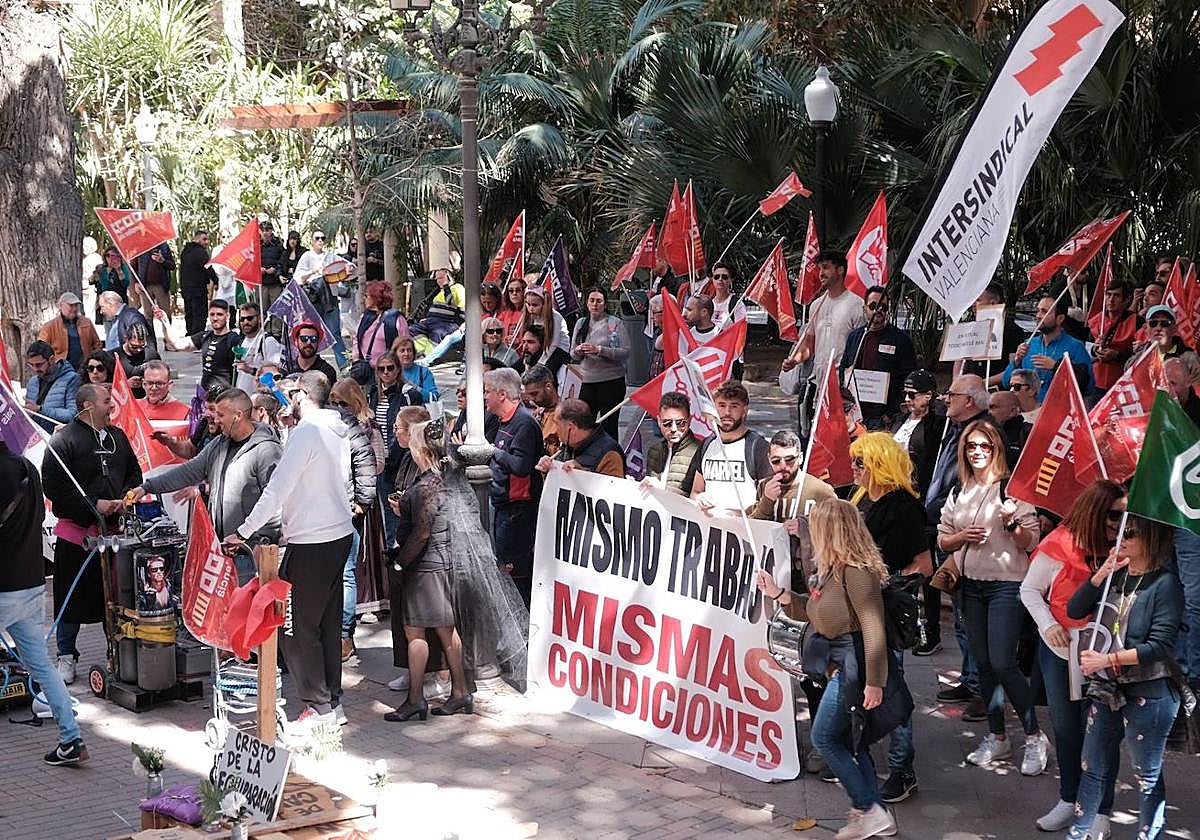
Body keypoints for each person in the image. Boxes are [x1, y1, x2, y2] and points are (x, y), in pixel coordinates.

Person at [756, 498, 898, 840]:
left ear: (831, 530)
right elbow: (822, 615)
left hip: (854, 666)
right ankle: (875, 813)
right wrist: (782, 595)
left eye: (813, 524)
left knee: (824, 736)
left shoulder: (856, 572)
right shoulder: (834, 569)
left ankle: (866, 807)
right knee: (851, 741)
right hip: (839, 664)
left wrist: (874, 683)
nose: (808, 530)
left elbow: (873, 628)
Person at [225, 371, 356, 728]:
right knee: (326, 624)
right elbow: (309, 476)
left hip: (312, 539)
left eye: (290, 393)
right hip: (336, 533)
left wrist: (243, 531)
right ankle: (331, 701)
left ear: (300, 394)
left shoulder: (307, 432)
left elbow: (278, 488)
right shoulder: (333, 428)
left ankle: (319, 706)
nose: (287, 399)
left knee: (294, 626)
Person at [937, 420, 1048, 774]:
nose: (978, 452)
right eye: (972, 446)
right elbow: (943, 539)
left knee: (1003, 662)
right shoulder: (961, 488)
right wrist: (962, 537)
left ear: (997, 448)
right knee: (983, 663)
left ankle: (1034, 735)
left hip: (1007, 585)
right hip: (969, 585)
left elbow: (1029, 542)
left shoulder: (1013, 490)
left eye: (985, 446)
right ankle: (998, 737)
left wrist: (1012, 523)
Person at [1065, 516, 1184, 840]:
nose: (1121, 538)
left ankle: (1149, 835)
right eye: (1118, 532)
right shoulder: (1115, 576)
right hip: (1107, 688)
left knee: (1146, 773)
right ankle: (1079, 833)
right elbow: (1075, 610)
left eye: (1129, 533)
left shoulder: (1166, 584)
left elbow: (1159, 646)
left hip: (1150, 691)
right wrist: (1097, 578)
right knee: (1092, 766)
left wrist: (1107, 659)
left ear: (1151, 538)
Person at [1019, 481, 1124, 835]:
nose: (1119, 523)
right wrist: (1047, 624)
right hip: (1060, 649)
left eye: (1125, 516)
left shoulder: (1127, 544)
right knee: (1066, 729)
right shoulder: (1060, 543)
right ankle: (1069, 798)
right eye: (1113, 515)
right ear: (1095, 512)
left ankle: (1100, 811)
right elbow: (1030, 590)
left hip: (1106, 652)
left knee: (1102, 734)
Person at [849, 432, 931, 802]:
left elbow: (921, 565)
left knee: (891, 686)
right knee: (863, 683)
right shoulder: (863, 499)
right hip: (858, 605)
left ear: (878, 464)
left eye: (859, 462)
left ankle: (902, 767)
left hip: (885, 609)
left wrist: (884, 577)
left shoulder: (903, 507)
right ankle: (859, 750)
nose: (854, 469)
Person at [42, 384, 142, 684]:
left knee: (116, 600)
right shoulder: (63, 441)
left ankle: (116, 655)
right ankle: (66, 656)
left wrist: (125, 498)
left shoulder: (118, 437)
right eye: (106, 401)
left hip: (115, 536)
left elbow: (134, 473)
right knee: (68, 599)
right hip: (77, 536)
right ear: (87, 406)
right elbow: (55, 487)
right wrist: (93, 505)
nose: (112, 405)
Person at [0, 439, 90, 765]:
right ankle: (70, 738)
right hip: (31, 580)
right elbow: (39, 517)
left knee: (41, 665)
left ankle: (71, 739)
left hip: (5, 586)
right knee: (42, 666)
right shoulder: (26, 468)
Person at [384, 420, 475, 722]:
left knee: (415, 632)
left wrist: (399, 563)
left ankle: (415, 699)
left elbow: (421, 533)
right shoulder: (443, 478)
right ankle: (460, 693)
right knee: (446, 630)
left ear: (418, 448)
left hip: (425, 568)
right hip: (441, 562)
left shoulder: (426, 486)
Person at [135, 387, 282, 552]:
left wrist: (262, 541)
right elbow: (188, 471)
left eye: (221, 415)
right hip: (223, 546)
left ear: (238, 415)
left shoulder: (267, 450)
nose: (216, 420)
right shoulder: (219, 444)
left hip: (251, 549)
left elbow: (276, 501)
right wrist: (146, 487)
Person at [782, 251, 866, 437]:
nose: (821, 273)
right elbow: (810, 342)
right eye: (820, 268)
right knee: (812, 439)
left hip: (841, 390)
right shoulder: (816, 305)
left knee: (839, 440)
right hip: (815, 385)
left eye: (826, 268)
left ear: (840, 270)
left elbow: (861, 349)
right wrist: (794, 361)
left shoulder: (856, 305)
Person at [328, 378, 381, 661]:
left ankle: (344, 635)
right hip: (326, 508)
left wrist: (362, 502)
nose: (337, 408)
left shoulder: (361, 430)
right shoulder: (325, 426)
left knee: (346, 572)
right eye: (333, 402)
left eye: (342, 403)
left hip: (348, 510)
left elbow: (368, 463)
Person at [485, 368, 545, 607]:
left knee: (514, 573)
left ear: (501, 394)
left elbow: (521, 466)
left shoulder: (524, 424)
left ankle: (524, 629)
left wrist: (494, 452)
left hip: (517, 511)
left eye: (487, 392)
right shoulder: (503, 421)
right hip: (502, 505)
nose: (485, 397)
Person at [689, 380, 771, 518]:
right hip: (709, 532)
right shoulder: (706, 445)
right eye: (721, 405)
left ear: (745, 410)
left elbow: (768, 499)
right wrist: (699, 499)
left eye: (734, 406)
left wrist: (741, 514)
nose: (727, 412)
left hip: (745, 532)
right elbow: (695, 492)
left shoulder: (758, 447)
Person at [840, 287, 917, 430]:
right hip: (855, 415)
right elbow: (844, 369)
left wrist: (890, 413)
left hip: (883, 418)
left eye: (883, 306)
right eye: (873, 306)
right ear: (865, 308)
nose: (878, 310)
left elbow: (909, 379)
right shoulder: (855, 337)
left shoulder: (901, 340)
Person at [1001, 293, 1093, 400]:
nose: (1038, 315)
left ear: (1060, 319)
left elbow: (1088, 387)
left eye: (1044, 312)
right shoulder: (1029, 344)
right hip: (1028, 411)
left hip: (1058, 411)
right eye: (1038, 310)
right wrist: (1016, 361)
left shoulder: (1075, 346)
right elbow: (1006, 382)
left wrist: (1056, 367)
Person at [571, 288, 630, 440]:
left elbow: (625, 352)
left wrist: (599, 350)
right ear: (587, 303)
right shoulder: (581, 323)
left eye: (599, 301)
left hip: (611, 382)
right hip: (588, 381)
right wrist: (579, 350)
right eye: (592, 300)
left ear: (605, 304)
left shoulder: (615, 323)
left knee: (609, 425)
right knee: (585, 424)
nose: (595, 304)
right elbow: (572, 354)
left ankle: (610, 458)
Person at [294, 231, 349, 369]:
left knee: (334, 333)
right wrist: (314, 271)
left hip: (330, 298)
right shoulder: (307, 256)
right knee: (310, 334)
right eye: (317, 238)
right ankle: (310, 365)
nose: (320, 241)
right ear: (311, 241)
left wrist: (348, 268)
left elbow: (347, 267)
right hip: (313, 299)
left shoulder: (330, 256)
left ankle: (344, 366)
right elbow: (298, 278)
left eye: (322, 238)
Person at [166, 299, 243, 391]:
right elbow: (177, 345)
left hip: (225, 395)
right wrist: (165, 323)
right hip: (205, 394)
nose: (215, 318)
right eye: (212, 314)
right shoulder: (205, 336)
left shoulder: (234, 339)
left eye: (219, 314)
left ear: (227, 316)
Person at [536, 398, 624, 477]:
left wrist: (581, 474)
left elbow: (613, 490)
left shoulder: (609, 454)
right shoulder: (568, 446)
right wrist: (548, 469)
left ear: (571, 428)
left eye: (557, 424)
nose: (555, 430)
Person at [962, 284, 1027, 387]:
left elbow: (1013, 367)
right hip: (968, 387)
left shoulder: (1012, 330)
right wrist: (957, 379)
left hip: (995, 389)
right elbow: (960, 358)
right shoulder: (971, 327)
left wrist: (982, 383)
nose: (973, 304)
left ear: (993, 302)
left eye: (978, 300)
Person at [1088, 279, 1140, 393]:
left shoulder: (1136, 321)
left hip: (1123, 382)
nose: (1111, 300)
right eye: (1108, 295)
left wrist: (1117, 355)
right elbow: (1086, 348)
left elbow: (1141, 353)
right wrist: (1095, 349)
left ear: (1126, 300)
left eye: (1116, 296)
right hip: (1095, 381)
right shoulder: (1096, 320)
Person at [643, 392, 700, 495]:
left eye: (680, 423)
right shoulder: (654, 450)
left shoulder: (700, 452)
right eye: (667, 423)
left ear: (689, 421)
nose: (674, 429)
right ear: (659, 421)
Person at [24, 340, 80, 432]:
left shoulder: (72, 379)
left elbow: (73, 414)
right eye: (31, 365)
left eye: (39, 365)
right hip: (37, 437)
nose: (35, 369)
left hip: (60, 438)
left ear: (51, 359)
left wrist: (40, 409)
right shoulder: (33, 381)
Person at [410, 268, 466, 357]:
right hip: (432, 322)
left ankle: (428, 357)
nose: (438, 281)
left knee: (436, 333)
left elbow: (450, 301)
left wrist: (446, 285)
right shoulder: (440, 291)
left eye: (441, 278)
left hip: (447, 323)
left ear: (449, 277)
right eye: (437, 279)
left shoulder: (458, 288)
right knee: (412, 330)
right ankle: (421, 353)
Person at [38, 292, 102, 369]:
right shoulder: (49, 327)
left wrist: (93, 361)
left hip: (85, 368)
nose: (74, 309)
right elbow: (41, 350)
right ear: (60, 306)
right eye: (71, 305)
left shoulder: (86, 323)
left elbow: (97, 345)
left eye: (76, 305)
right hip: (61, 369)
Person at [355, 281, 408, 369]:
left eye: (366, 296)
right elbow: (356, 339)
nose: (364, 299)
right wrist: (356, 359)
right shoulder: (365, 317)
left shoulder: (396, 318)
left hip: (389, 370)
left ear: (376, 298)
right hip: (366, 370)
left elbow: (405, 343)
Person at [234, 303, 282, 394]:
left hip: (259, 398)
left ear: (259, 318)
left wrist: (251, 370)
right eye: (242, 319)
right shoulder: (241, 341)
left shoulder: (267, 341)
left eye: (250, 318)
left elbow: (275, 376)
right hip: (242, 397)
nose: (246, 322)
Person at [1139, 304, 1200, 375]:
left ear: (1175, 329)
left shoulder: (1189, 359)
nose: (1159, 328)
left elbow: (1197, 385)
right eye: (1153, 323)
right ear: (1145, 328)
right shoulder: (1137, 359)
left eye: (1165, 323)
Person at [138, 360, 191, 441]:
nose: (154, 388)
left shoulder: (186, 412)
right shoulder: (134, 407)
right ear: (143, 384)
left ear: (169, 385)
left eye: (159, 383)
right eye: (150, 383)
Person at [178, 231, 217, 336]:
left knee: (189, 312)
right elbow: (208, 267)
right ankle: (197, 337)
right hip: (198, 289)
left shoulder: (185, 251)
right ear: (197, 239)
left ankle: (190, 334)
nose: (207, 242)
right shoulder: (200, 252)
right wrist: (216, 280)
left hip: (186, 288)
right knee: (199, 313)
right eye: (204, 239)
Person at [516, 285, 570, 357]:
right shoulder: (531, 317)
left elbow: (553, 344)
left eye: (535, 305)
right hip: (539, 350)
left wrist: (541, 363)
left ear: (543, 304)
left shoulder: (555, 317)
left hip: (558, 352)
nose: (531, 308)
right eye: (528, 304)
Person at [520, 364, 561, 457]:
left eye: (534, 394)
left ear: (548, 387)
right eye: (529, 395)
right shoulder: (537, 412)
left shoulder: (565, 416)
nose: (531, 399)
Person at [113, 323, 161, 400]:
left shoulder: (152, 355)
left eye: (142, 346)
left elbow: (162, 379)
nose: (138, 350)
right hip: (123, 402)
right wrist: (125, 384)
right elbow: (104, 386)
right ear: (126, 339)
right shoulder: (114, 356)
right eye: (134, 347)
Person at [134, 242, 176, 324]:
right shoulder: (140, 248)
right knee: (147, 315)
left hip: (160, 285)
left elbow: (172, 266)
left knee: (165, 313)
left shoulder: (164, 247)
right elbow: (133, 266)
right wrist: (136, 282)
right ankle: (150, 337)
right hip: (144, 286)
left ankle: (167, 335)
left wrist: (162, 261)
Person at [90, 247, 133, 320]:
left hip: (120, 302)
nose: (110, 258)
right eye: (108, 255)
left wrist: (119, 270)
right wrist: (107, 271)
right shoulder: (102, 269)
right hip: (106, 304)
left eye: (113, 256)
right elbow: (105, 286)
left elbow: (125, 283)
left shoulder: (123, 267)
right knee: (108, 327)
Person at [392, 336, 438, 403]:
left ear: (414, 353)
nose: (406, 354)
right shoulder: (389, 371)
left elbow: (434, 397)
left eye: (409, 350)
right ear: (395, 354)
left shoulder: (423, 372)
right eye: (402, 351)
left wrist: (414, 387)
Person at [988, 390, 1028, 467]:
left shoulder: (1029, 433)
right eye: (988, 408)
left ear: (1013, 411)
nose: (989, 412)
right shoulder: (988, 433)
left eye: (993, 407)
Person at [259, 221, 287, 310]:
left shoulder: (278, 244)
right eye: (262, 230)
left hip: (275, 283)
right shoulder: (257, 245)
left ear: (271, 231)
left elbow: (283, 261)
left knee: (276, 310)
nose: (265, 233)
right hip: (261, 283)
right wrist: (259, 269)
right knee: (262, 310)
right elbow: (252, 261)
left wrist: (275, 269)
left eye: (267, 230)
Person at [498, 275, 527, 344]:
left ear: (524, 292)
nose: (514, 293)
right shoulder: (504, 314)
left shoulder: (530, 313)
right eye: (511, 291)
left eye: (518, 290)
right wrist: (505, 340)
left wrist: (519, 341)